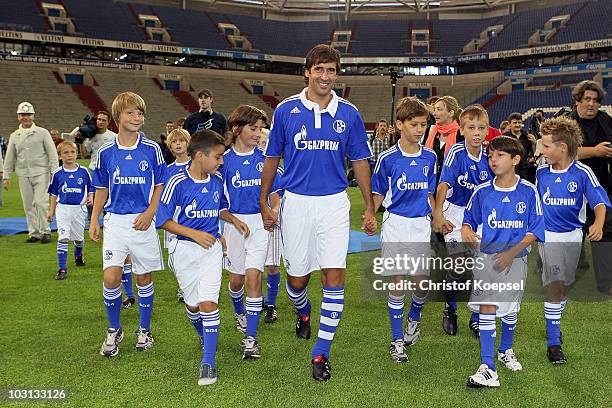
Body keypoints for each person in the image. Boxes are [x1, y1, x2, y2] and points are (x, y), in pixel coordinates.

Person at [259, 44, 377, 381]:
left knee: (334, 277)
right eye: (319, 70)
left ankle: (321, 352)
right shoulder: (285, 110)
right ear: (308, 71)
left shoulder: (349, 113)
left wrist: (369, 207)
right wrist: (263, 199)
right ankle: (304, 311)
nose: (325, 76)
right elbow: (272, 158)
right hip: (295, 203)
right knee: (297, 282)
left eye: (331, 70)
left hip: (334, 204)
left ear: (336, 74)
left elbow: (359, 162)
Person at [462, 136, 545, 388]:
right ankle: (488, 367)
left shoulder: (528, 191)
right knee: (488, 306)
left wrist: (513, 251)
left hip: (516, 259)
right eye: (490, 156)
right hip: (487, 258)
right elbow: (468, 219)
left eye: (499, 155)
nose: (493, 160)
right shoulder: (482, 192)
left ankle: (505, 350)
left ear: (516, 160)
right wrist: (466, 230)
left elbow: (536, 229)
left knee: (510, 310)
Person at [89, 92, 166, 357]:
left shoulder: (152, 149)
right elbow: (101, 188)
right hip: (115, 223)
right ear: (117, 118)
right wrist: (94, 219)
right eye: (130, 113)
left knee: (143, 276)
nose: (136, 118)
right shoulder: (105, 152)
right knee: (111, 277)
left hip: (142, 221)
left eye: (140, 113)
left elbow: (159, 185)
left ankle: (144, 329)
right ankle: (114, 329)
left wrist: (151, 212)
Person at [537, 116, 610, 364]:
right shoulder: (540, 173)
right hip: (549, 237)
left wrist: (598, 224)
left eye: (546, 146)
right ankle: (553, 343)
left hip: (573, 237)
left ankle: (554, 322)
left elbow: (599, 202)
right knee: (556, 284)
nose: (542, 150)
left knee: (565, 285)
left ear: (563, 147)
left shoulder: (582, 172)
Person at [157, 129, 227, 385]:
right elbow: (161, 219)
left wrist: (222, 233)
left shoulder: (217, 181)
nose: (221, 162)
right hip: (183, 250)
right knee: (193, 306)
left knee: (209, 303)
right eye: (217, 157)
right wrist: (194, 234)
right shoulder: (177, 182)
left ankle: (208, 361)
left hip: (210, 250)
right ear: (199, 156)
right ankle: (202, 333)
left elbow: (217, 210)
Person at [371, 97, 436, 363]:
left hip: (421, 225)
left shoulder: (430, 156)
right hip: (396, 224)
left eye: (423, 125)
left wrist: (437, 215)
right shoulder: (387, 158)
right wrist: (370, 215)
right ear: (400, 125)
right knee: (397, 281)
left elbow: (430, 191)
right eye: (414, 124)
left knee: (421, 283)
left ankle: (415, 317)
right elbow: (378, 190)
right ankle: (397, 340)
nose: (419, 129)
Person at [219, 105, 283, 359]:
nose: (258, 133)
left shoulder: (266, 159)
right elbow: (218, 204)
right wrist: (234, 221)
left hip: (259, 224)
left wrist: (274, 210)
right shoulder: (223, 161)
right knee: (236, 281)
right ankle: (239, 312)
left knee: (253, 278)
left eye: (260, 129)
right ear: (236, 129)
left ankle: (251, 339)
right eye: (253, 128)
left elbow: (276, 192)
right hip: (234, 226)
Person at [432, 105, 493, 337]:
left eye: (481, 128)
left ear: (487, 130)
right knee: (458, 266)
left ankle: (477, 317)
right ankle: (450, 306)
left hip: (479, 217)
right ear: (462, 130)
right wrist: (438, 214)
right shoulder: (456, 152)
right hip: (455, 214)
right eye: (471, 127)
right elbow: (444, 184)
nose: (476, 132)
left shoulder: (490, 155)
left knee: (483, 267)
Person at [569, 80, 612, 295]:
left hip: (601, 186)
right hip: (570, 189)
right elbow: (562, 152)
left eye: (595, 100)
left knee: (604, 231)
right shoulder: (568, 121)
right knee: (571, 232)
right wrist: (594, 151)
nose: (591, 104)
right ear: (578, 101)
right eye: (587, 99)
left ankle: (606, 283)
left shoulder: (604, 119)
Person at [3, 102, 59, 243]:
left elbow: (52, 154)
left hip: (41, 172)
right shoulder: (14, 136)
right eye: (23, 115)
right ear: (18, 117)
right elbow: (9, 157)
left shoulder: (42, 132)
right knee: (28, 204)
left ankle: (46, 231)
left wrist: (55, 172)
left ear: (33, 116)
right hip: (23, 174)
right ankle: (34, 233)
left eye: (28, 115)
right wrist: (6, 176)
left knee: (41, 202)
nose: (26, 117)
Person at [47, 141, 93, 280]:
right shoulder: (57, 174)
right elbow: (54, 194)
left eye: (72, 152)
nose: (69, 155)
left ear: (77, 153)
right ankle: (62, 268)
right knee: (63, 237)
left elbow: (91, 187)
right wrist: (51, 211)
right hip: (63, 209)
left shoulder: (84, 171)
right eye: (65, 153)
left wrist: (90, 197)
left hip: (79, 210)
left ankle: (78, 255)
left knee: (79, 239)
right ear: (60, 156)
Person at [423, 96, 464, 181]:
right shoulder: (430, 131)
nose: (434, 113)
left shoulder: (461, 134)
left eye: (439, 109)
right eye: (434, 110)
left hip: (452, 185)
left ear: (451, 113)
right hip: (429, 183)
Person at [502, 112, 537, 182]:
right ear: (509, 125)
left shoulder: (527, 137)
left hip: (524, 170)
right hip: (509, 169)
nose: (517, 125)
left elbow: (533, 153)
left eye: (519, 122)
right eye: (515, 123)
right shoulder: (504, 138)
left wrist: (534, 143)